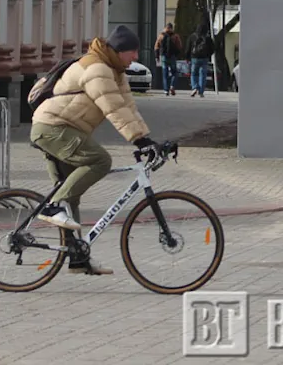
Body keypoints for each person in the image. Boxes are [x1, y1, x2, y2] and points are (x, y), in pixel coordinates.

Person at [30, 25, 159, 275]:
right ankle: (51, 206)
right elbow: (113, 108)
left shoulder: (115, 71)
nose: (136, 57)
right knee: (100, 160)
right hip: (53, 128)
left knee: (71, 196)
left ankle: (77, 258)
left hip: (65, 130)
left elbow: (128, 107)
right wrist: (139, 141)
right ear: (119, 50)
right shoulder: (97, 69)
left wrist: (147, 139)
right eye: (132, 52)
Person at [187, 23, 216, 97]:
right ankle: (201, 91)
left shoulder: (192, 36)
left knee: (194, 74)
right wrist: (208, 55)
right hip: (204, 58)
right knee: (202, 75)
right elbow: (213, 49)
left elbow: (188, 47)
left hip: (194, 57)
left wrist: (187, 57)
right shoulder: (208, 37)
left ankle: (195, 87)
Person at [154, 23, 183, 96]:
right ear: (172, 28)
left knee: (165, 74)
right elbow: (179, 46)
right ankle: (172, 86)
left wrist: (157, 57)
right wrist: (177, 55)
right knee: (174, 73)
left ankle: (166, 90)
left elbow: (156, 47)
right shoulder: (175, 36)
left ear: (165, 28)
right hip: (172, 56)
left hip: (164, 57)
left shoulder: (161, 36)